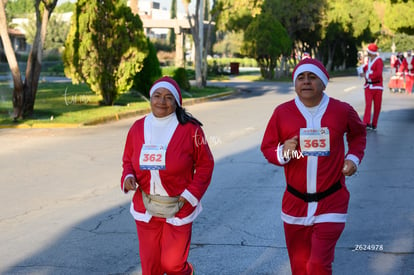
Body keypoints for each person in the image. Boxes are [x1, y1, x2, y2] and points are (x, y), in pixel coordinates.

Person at [261, 58, 366, 275]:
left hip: (331, 202)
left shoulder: (341, 110)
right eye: (301, 78)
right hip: (294, 203)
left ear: (324, 83)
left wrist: (353, 158)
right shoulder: (282, 112)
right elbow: (268, 147)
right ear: (295, 84)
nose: (306, 82)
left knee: (317, 265)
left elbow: (358, 134)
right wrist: (283, 151)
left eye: (312, 77)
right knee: (299, 268)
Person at [120, 76, 214, 275]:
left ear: (176, 102)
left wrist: (191, 194)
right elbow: (128, 159)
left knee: (172, 265)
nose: (161, 101)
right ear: (150, 98)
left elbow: (206, 165)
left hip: (179, 205)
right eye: (157, 96)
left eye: (168, 97)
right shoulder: (138, 127)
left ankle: (186, 271)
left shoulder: (191, 130)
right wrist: (128, 176)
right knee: (151, 267)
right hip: (146, 206)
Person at [359, 43, 384, 130]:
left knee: (377, 106)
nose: (367, 53)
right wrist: (362, 70)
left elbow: (378, 74)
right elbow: (367, 68)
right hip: (368, 86)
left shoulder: (379, 61)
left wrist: (367, 75)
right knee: (368, 105)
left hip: (377, 87)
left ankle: (374, 124)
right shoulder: (370, 60)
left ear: (372, 52)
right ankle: (366, 123)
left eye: (368, 51)